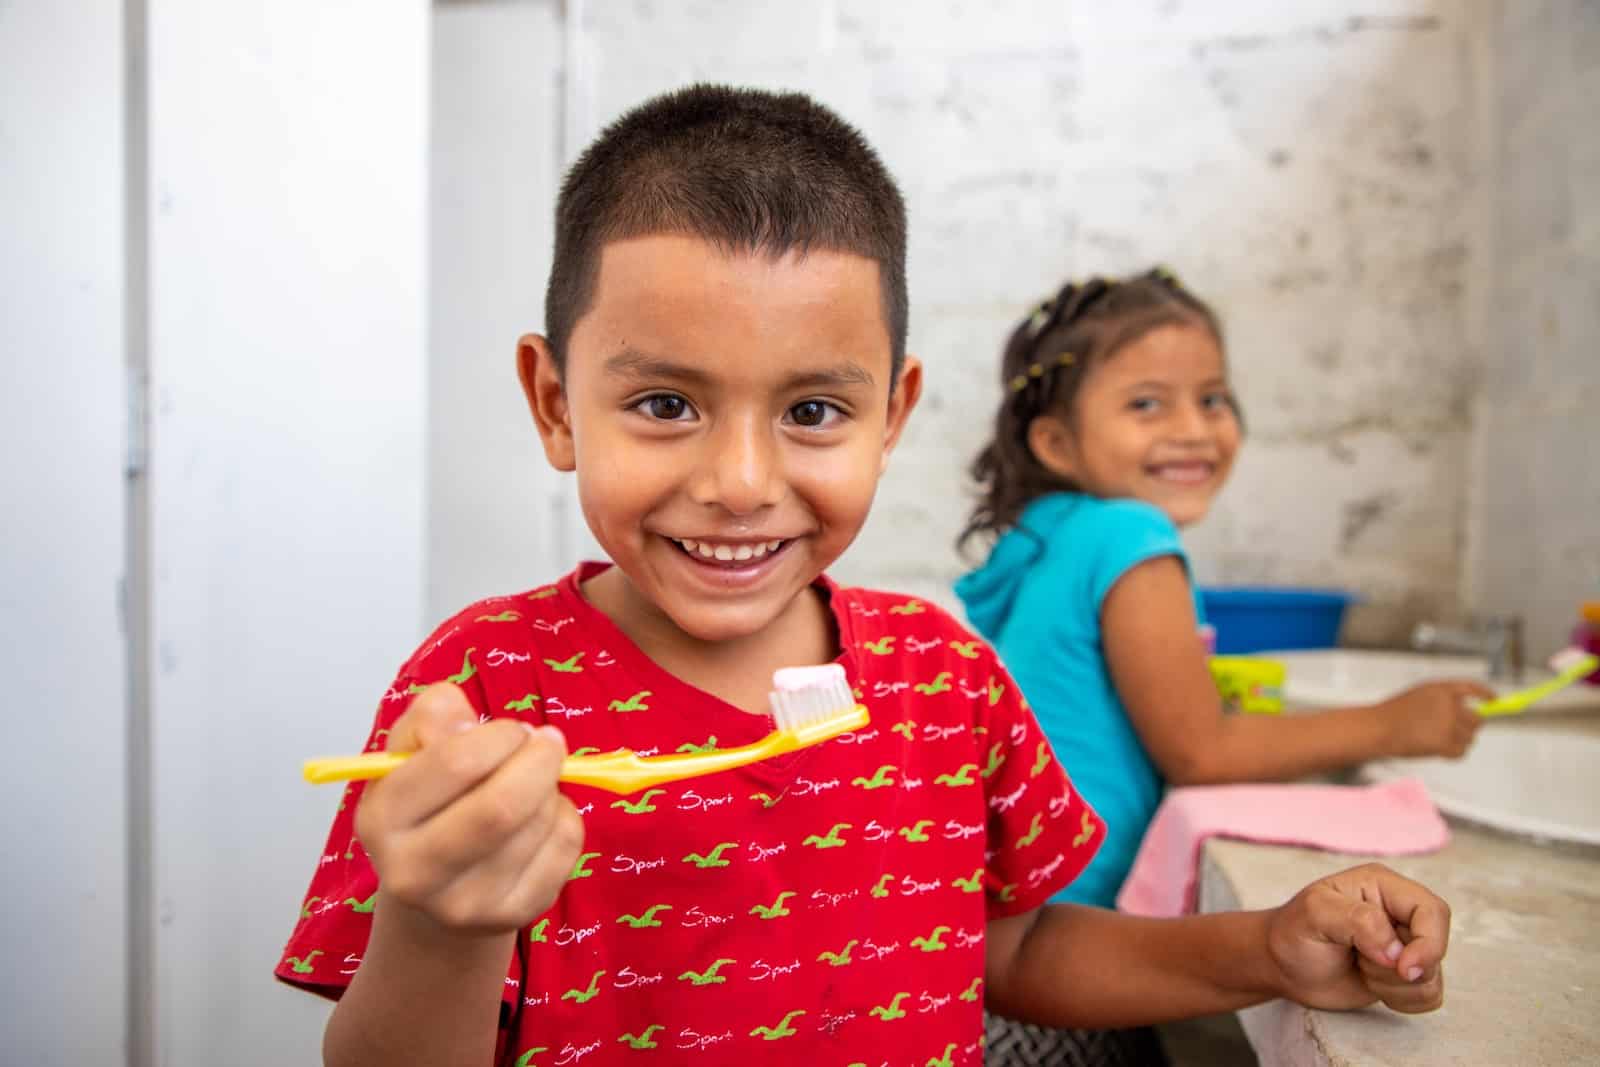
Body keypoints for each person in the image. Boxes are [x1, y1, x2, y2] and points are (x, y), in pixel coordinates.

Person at [278, 87, 1453, 1067]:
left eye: (812, 409)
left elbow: (1017, 951)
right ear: (553, 402)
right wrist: (438, 925)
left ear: (891, 413)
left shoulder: (944, 677)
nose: (740, 480)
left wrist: (1263, 945)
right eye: (665, 403)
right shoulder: (481, 686)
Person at [956, 270, 1490, 915]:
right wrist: (1392, 724)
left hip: (1006, 914)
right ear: (1058, 443)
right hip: (1063, 930)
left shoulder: (1050, 538)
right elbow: (1201, 753)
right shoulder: (1128, 533)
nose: (1194, 429)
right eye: (1147, 404)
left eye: (1212, 398)